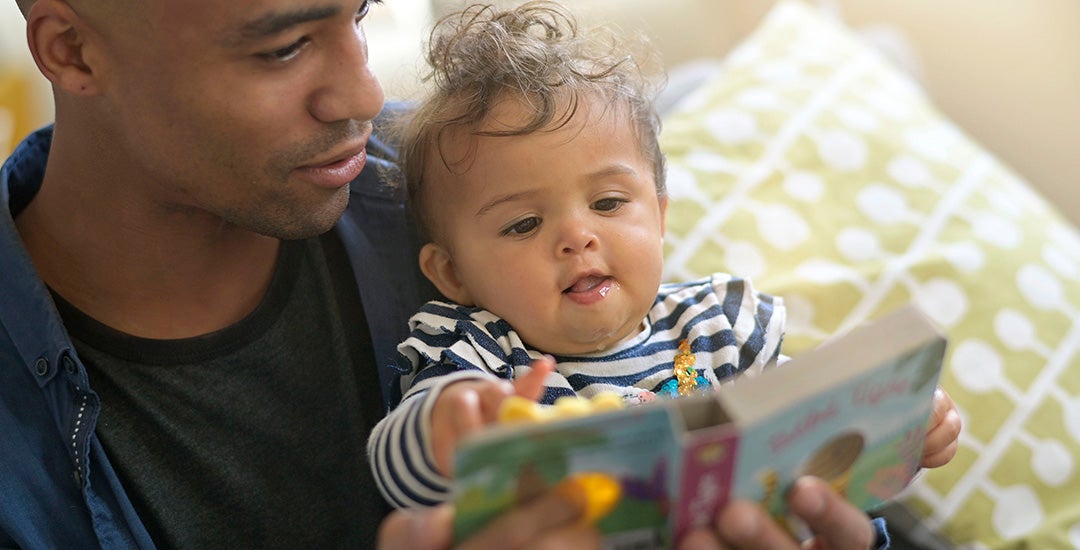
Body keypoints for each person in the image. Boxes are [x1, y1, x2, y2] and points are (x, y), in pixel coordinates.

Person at [0, 0, 958, 546]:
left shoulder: (457, 175)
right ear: (72, 49)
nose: (368, 95)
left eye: (360, 16)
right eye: (283, 44)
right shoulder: (469, 279)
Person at [366, 2, 960, 546]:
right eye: (523, 224)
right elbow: (401, 478)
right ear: (452, 273)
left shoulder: (715, 325)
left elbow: (806, 421)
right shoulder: (479, 355)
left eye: (607, 203)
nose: (578, 237)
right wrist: (448, 422)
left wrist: (900, 424)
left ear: (660, 214)